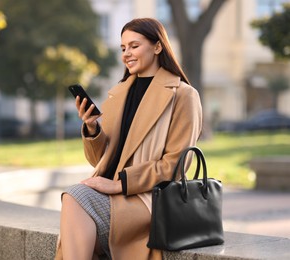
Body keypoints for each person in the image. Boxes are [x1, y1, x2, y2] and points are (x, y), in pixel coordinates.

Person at [56, 17, 202, 260]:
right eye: (123, 48)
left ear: (157, 47)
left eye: (134, 46)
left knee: (74, 197)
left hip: (146, 197)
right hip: (109, 192)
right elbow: (100, 161)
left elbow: (176, 166)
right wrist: (92, 128)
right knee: (74, 197)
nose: (127, 54)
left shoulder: (183, 95)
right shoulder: (119, 93)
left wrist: (119, 184)